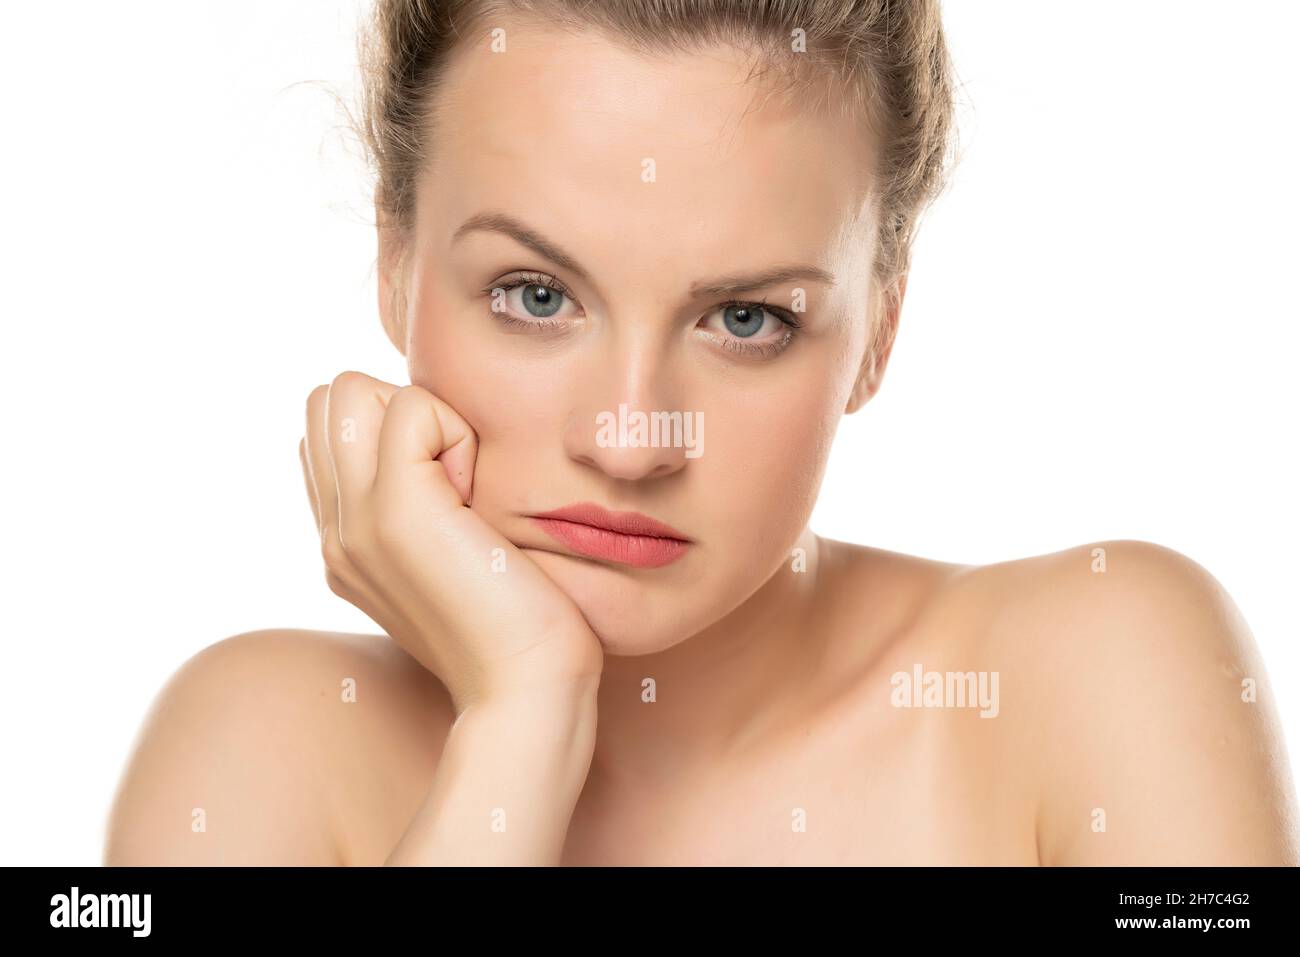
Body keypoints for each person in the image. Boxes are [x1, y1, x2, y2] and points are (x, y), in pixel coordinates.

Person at [104, 0, 1299, 866]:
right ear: (397, 259)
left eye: (744, 319)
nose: (629, 442)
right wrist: (520, 722)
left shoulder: (1101, 671)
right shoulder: (256, 749)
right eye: (535, 295)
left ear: (879, 326)